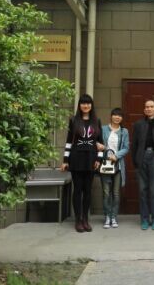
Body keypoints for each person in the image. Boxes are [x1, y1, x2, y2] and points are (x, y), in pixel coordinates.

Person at [60, 94, 104, 233]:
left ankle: (85, 219)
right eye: (83, 103)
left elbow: (101, 143)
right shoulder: (73, 120)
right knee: (78, 190)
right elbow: (69, 142)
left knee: (88, 190)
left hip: (91, 159)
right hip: (76, 159)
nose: (86, 105)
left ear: (91, 105)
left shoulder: (97, 121)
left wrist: (99, 160)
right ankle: (78, 220)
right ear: (79, 105)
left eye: (88, 103)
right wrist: (65, 161)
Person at [131, 99, 154, 230]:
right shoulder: (138, 124)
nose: (149, 109)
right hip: (142, 157)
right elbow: (134, 144)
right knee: (142, 190)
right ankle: (145, 219)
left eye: (151, 107)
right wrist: (135, 162)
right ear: (144, 109)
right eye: (147, 107)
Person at [100, 108, 129, 229]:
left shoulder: (124, 131)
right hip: (105, 165)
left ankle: (114, 217)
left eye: (120, 116)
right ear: (111, 116)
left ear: (122, 118)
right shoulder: (103, 129)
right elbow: (98, 143)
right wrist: (102, 148)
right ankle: (107, 216)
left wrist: (116, 156)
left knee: (116, 193)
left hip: (118, 165)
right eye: (115, 115)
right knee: (106, 193)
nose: (117, 117)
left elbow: (126, 147)